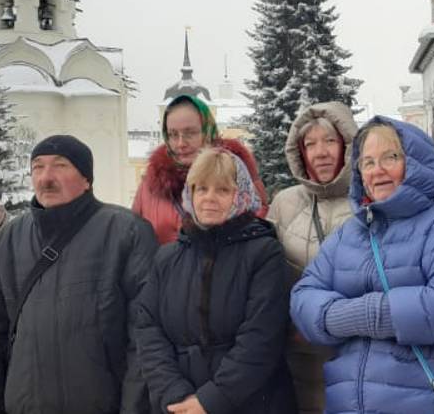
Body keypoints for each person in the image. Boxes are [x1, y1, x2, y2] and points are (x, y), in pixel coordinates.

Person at [291, 117, 434, 413]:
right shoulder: (349, 233)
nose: (378, 170)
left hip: (425, 402)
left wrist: (359, 315)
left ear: (414, 163)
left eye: (390, 157)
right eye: (368, 162)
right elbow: (303, 299)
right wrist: (360, 316)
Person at [0, 135, 157, 414]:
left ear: (86, 179)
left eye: (60, 166)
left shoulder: (125, 233)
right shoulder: (7, 242)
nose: (46, 177)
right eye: (37, 167)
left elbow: (144, 334)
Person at [135, 147, 297, 414]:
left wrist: (210, 401)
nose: (209, 198)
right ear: (190, 193)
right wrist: (176, 395)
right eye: (202, 189)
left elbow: (261, 338)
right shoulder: (167, 258)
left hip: (251, 401)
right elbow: (148, 329)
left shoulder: (263, 253)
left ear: (240, 195)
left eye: (222, 190)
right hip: (180, 404)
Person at [266, 102, 358, 414]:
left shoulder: (370, 202)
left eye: (330, 141)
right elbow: (269, 277)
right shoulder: (284, 204)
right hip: (299, 355)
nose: (320, 152)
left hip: (356, 355)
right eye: (310, 143)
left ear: (347, 144)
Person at [132, 94, 269, 245]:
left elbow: (257, 221)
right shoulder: (151, 184)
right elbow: (135, 239)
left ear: (208, 131)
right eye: (173, 134)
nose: (180, 143)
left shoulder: (238, 173)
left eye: (190, 133)